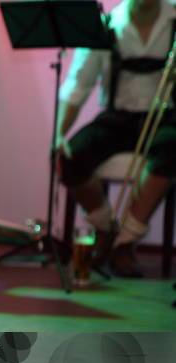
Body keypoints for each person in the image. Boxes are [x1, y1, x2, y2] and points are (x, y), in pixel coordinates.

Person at [58, 0, 176, 277]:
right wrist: (59, 134)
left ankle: (125, 242)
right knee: (70, 156)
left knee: (172, 150)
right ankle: (105, 228)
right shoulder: (106, 25)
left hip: (163, 116)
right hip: (117, 118)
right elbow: (78, 84)